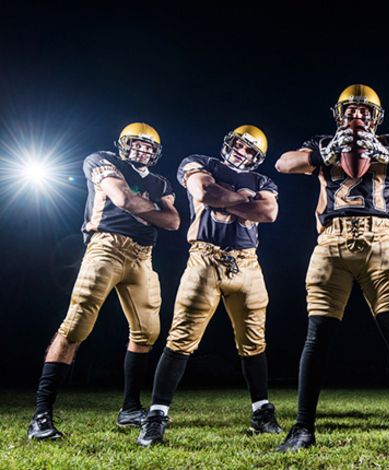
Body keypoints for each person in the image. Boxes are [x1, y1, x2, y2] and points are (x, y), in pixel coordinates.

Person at [274, 84, 389, 451]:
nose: (357, 116)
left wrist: (388, 152)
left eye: (365, 111)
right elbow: (284, 163)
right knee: (317, 336)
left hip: (380, 238)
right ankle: (303, 428)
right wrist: (326, 151)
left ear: (376, 117)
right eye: (351, 110)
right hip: (331, 241)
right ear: (338, 114)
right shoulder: (322, 142)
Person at [28, 122, 179, 440]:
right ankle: (41, 416)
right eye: (136, 144)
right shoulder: (101, 160)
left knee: (147, 331)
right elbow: (122, 199)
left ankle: (130, 409)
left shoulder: (161, 181)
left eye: (149, 147)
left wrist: (145, 209)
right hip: (106, 247)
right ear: (123, 144)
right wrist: (151, 209)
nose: (142, 150)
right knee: (77, 324)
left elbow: (173, 221)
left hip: (143, 255)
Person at [136, 125, 282, 446]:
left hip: (247, 263)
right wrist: (244, 200)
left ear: (256, 157)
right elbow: (204, 192)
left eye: (248, 150)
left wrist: (226, 198)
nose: (240, 152)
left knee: (254, 342)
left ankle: (261, 411)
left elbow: (269, 212)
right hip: (205, 258)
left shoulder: (263, 181)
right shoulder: (200, 162)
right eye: (237, 145)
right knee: (181, 338)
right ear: (228, 142)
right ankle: (157, 415)